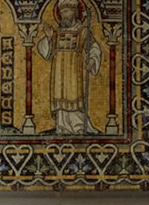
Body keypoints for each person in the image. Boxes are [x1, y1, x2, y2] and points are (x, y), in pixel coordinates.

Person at [37, 0, 102, 134]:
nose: (63, 15)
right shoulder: (56, 33)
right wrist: (48, 38)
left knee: (74, 95)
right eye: (61, 13)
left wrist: (92, 60)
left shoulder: (83, 31)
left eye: (66, 12)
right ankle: (62, 126)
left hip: (74, 70)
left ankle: (79, 126)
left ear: (74, 13)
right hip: (58, 71)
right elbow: (44, 51)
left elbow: (94, 47)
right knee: (60, 97)